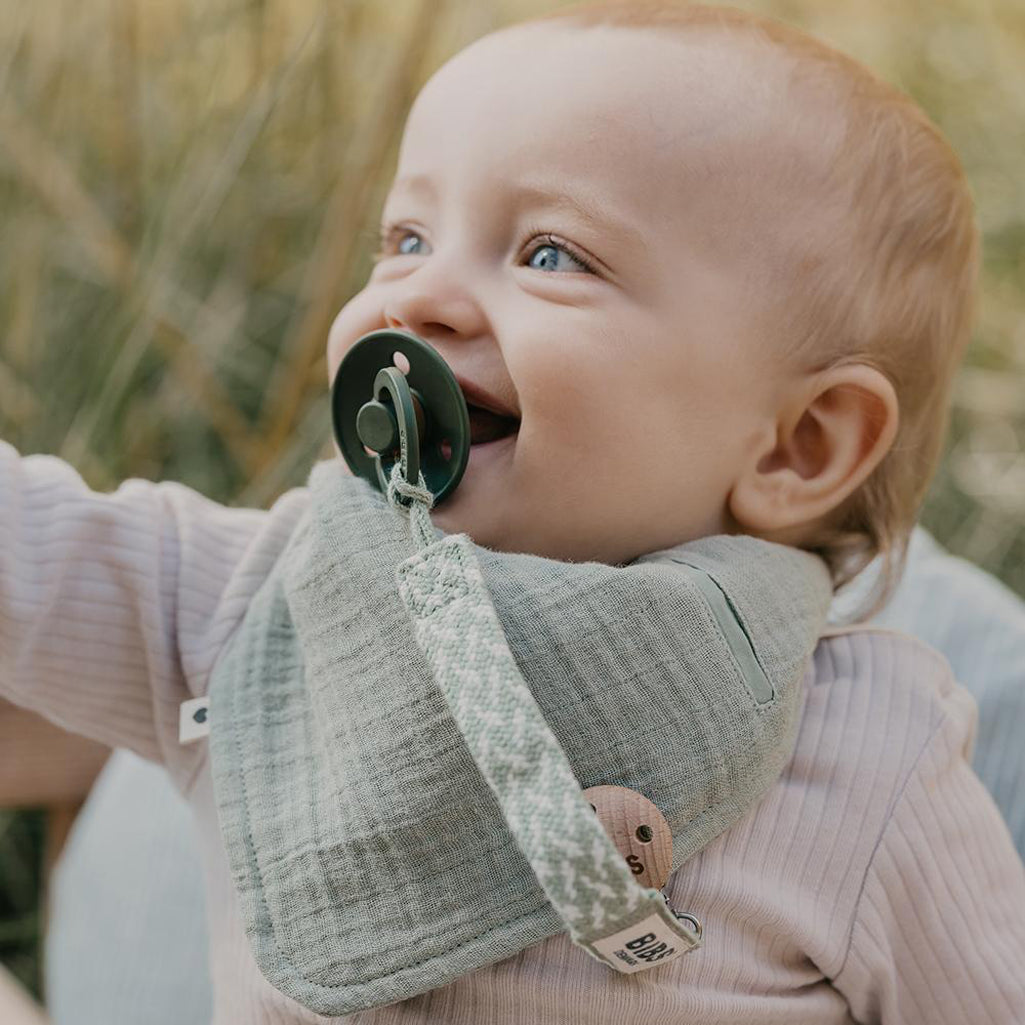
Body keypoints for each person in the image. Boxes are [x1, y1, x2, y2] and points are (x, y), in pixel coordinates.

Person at [2, 3, 1024, 1022]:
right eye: (403, 238)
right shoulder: (256, 606)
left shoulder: (867, 755)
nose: (419, 297)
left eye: (550, 254)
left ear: (798, 443)